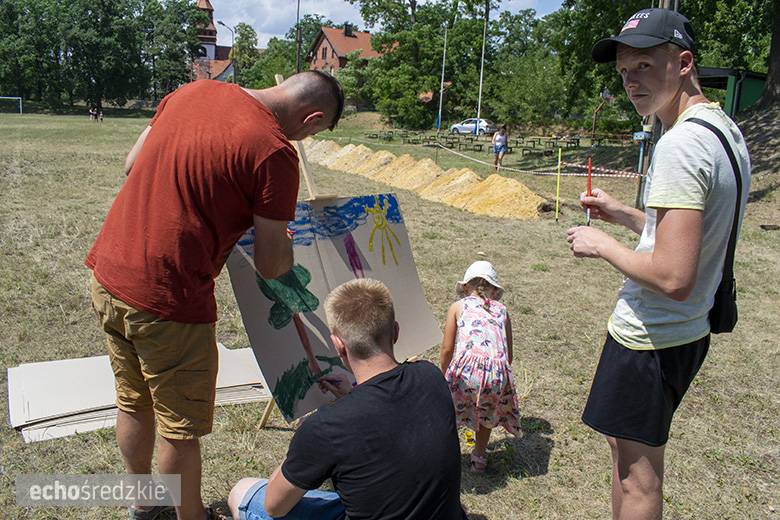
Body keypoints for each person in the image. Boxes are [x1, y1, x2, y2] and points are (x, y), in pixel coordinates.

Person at [86, 70, 344, 520]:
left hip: (110, 273)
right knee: (180, 429)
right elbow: (271, 265)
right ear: (314, 116)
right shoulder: (274, 152)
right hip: (169, 298)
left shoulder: (193, 90)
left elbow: (131, 164)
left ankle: (144, 502)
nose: (307, 139)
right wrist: (285, 238)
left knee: (132, 399)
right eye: (315, 132)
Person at [566, 9, 750, 520]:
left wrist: (600, 242)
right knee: (625, 454)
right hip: (686, 331)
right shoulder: (723, 131)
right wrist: (626, 214)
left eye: (644, 66)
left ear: (683, 62)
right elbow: (692, 228)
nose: (631, 82)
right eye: (624, 71)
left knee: (638, 479)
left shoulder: (679, 145)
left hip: (650, 336)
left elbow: (672, 275)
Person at [228, 278, 468, 520]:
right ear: (395, 332)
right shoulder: (431, 376)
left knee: (242, 492)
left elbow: (274, 506)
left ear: (338, 345)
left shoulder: (326, 427)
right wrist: (349, 396)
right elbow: (389, 418)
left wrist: (302, 447)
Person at [440, 261, 522, 473]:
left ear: (466, 287)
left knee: (448, 410)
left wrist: (443, 374)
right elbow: (508, 354)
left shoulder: (458, 307)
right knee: (486, 413)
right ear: (494, 290)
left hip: (466, 371)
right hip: (497, 372)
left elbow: (447, 349)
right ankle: (479, 458)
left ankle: (444, 455)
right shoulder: (502, 310)